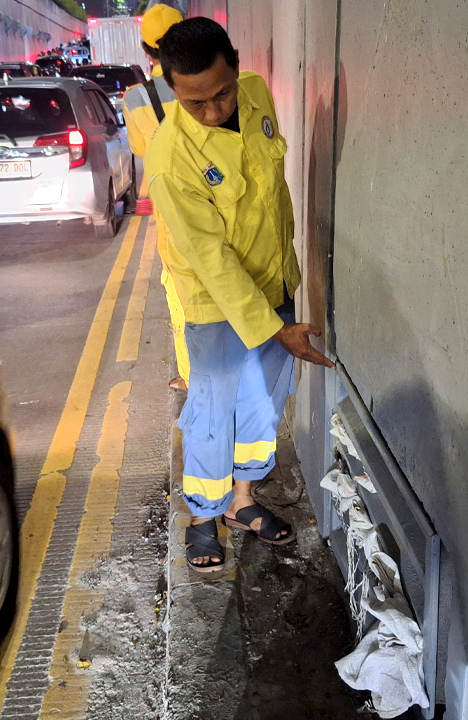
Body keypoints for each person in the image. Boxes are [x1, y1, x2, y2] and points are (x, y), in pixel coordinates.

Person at [147, 18, 335, 572]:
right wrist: (276, 326)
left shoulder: (255, 94)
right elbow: (211, 261)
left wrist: (282, 304)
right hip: (215, 303)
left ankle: (242, 503)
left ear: (235, 63)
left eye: (221, 92)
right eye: (195, 102)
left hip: (274, 286)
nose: (213, 110)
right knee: (213, 409)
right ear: (173, 90)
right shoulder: (170, 158)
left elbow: (270, 196)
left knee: (263, 402)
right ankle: (202, 516)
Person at [123, 3, 188, 391]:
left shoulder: (135, 99)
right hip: (221, 195)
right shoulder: (210, 79)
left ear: (146, 51)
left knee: (180, 293)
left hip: (173, 209)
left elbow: (140, 149)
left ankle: (192, 374)